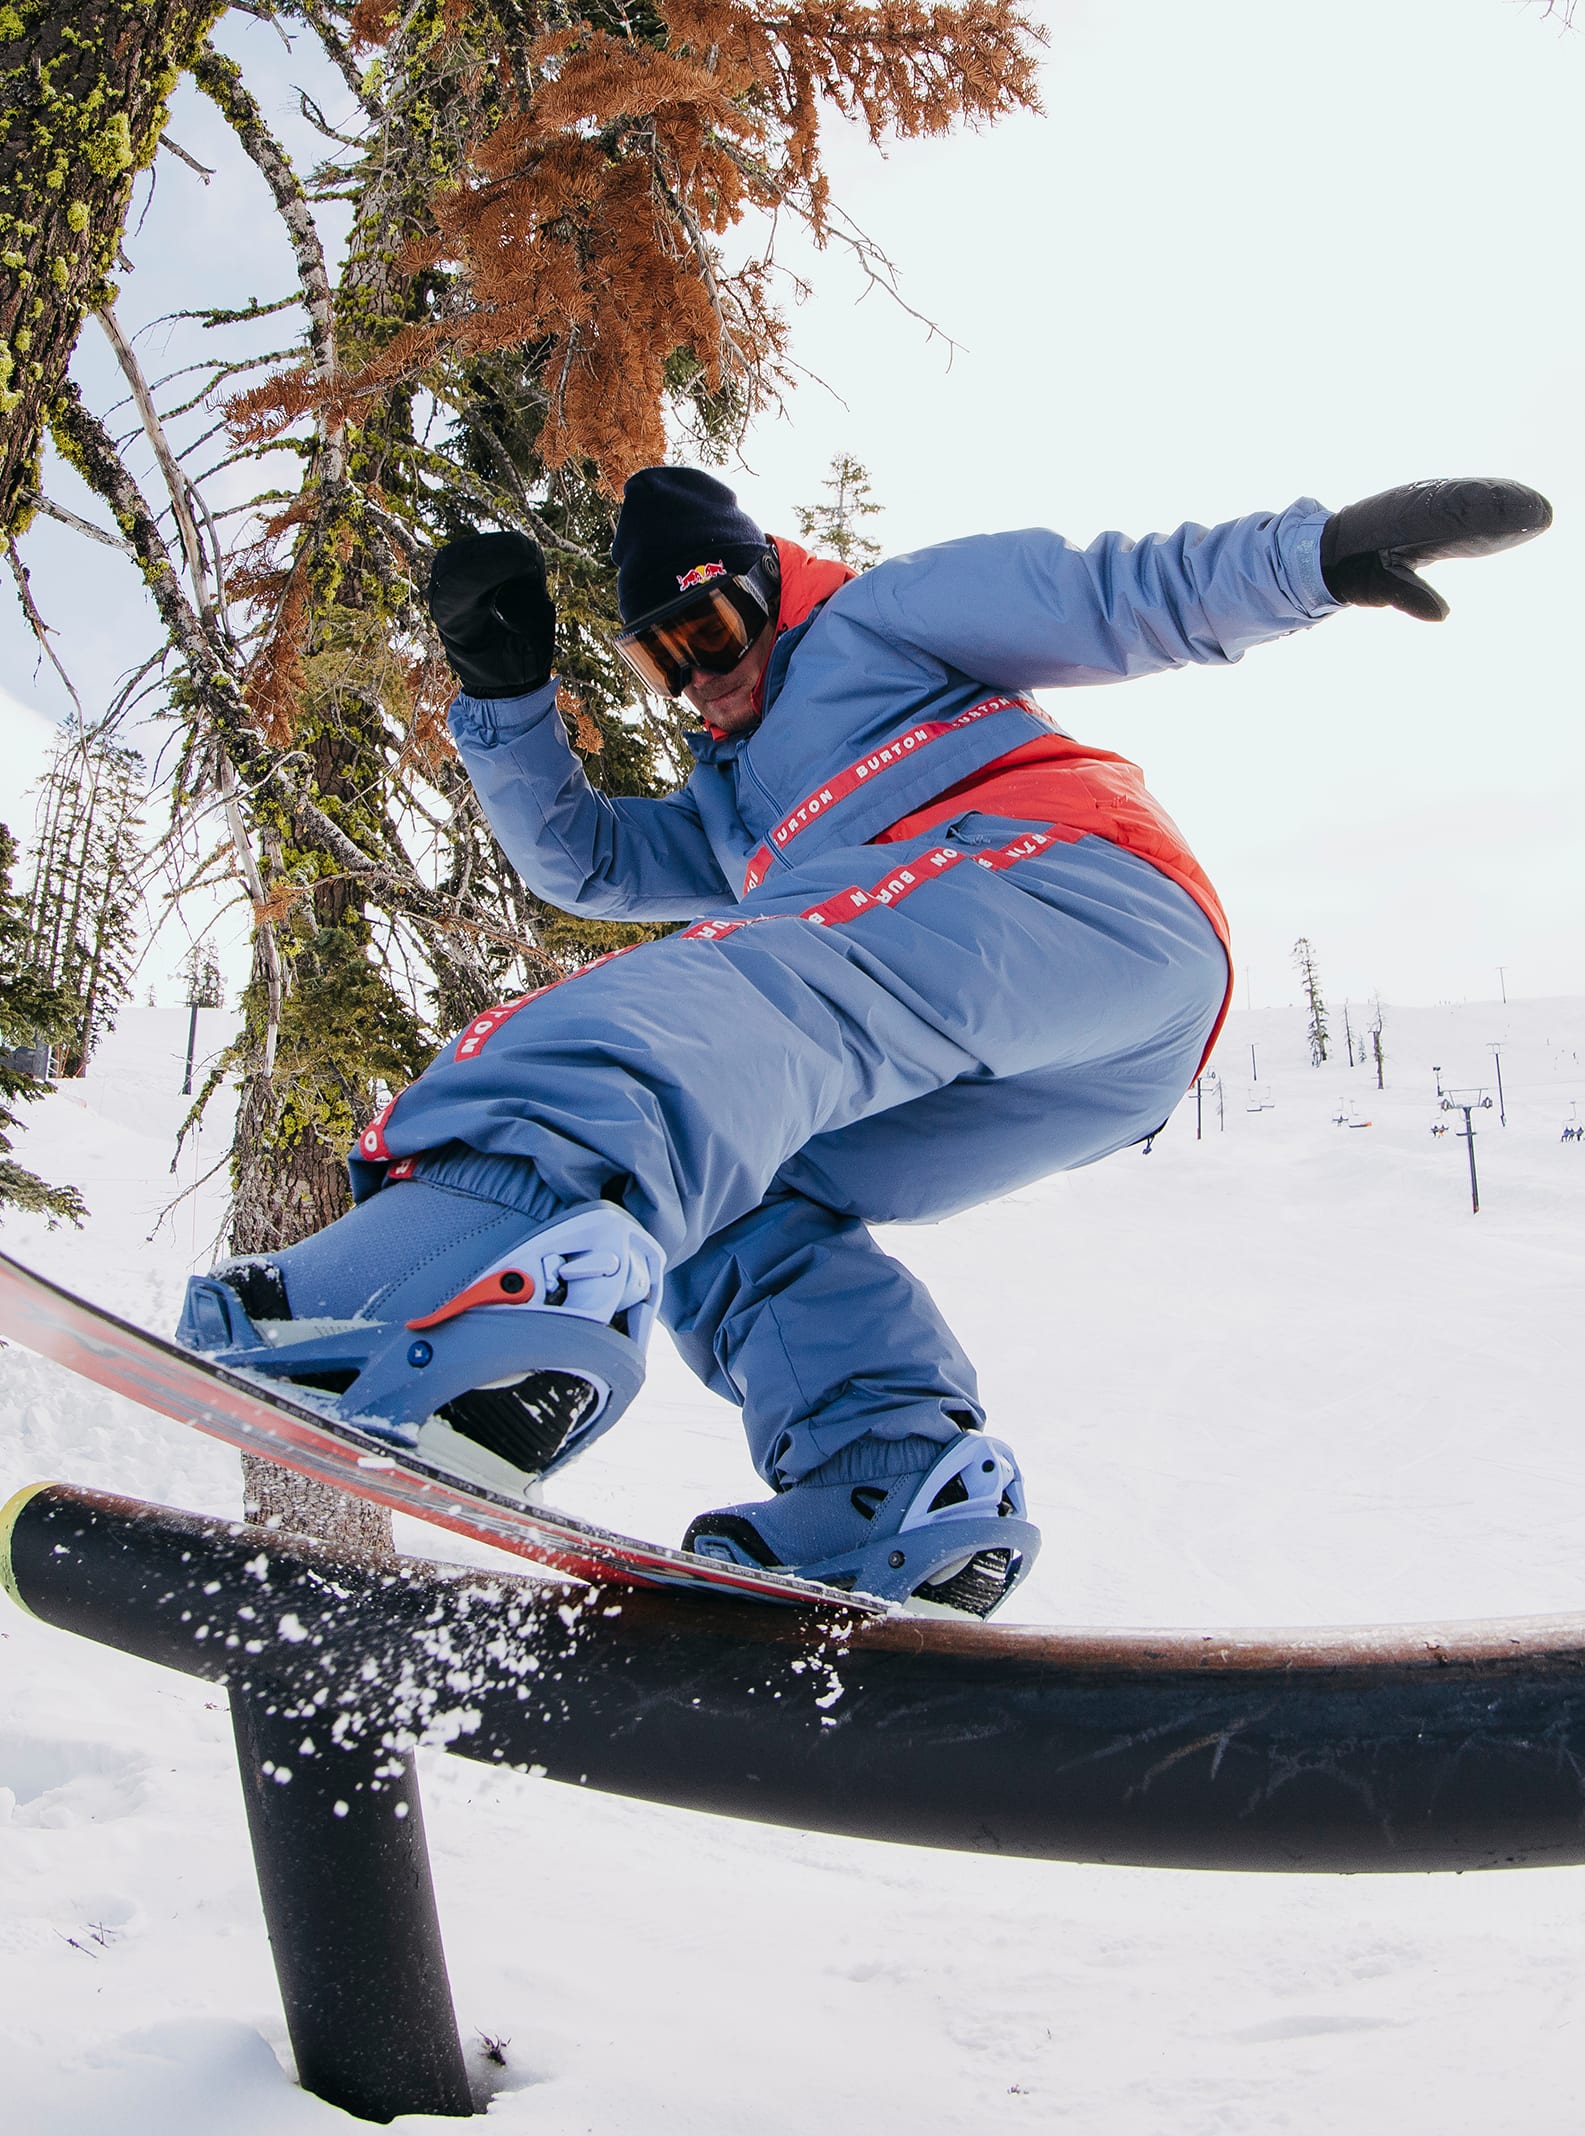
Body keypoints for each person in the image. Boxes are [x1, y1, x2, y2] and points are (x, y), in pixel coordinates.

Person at [179, 472, 1550, 1615]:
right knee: (743, 1195)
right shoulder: (727, 808)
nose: (700, 681)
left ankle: (433, 1282)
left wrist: (1316, 555)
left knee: (710, 1000)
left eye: (712, 631)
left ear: (764, 582)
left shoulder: (883, 623)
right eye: (664, 661)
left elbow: (1117, 593)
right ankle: (891, 1486)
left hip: (1065, 887)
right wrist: (503, 690)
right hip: (1070, 1061)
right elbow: (581, 861)